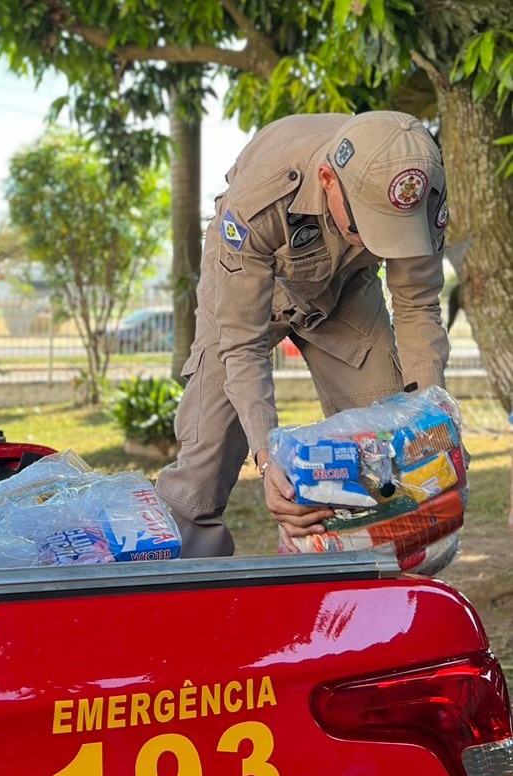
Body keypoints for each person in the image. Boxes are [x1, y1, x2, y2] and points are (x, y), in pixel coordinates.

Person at [156, 110, 450, 557]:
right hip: (254, 284)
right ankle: (186, 599)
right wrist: (268, 456)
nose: (376, 246)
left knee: (390, 457)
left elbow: (417, 306)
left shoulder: (418, 191)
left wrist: (429, 421)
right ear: (328, 179)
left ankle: (366, 593)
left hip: (346, 289)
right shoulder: (262, 195)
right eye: (366, 229)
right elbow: (242, 342)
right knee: (203, 466)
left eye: (391, 237)